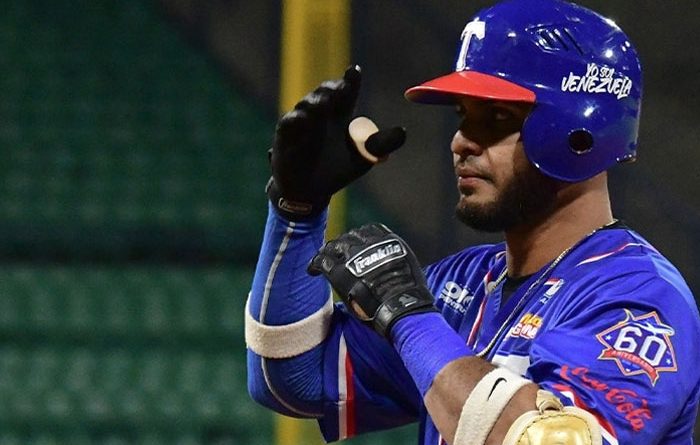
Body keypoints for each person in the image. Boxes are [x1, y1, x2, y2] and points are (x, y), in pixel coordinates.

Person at [245, 0, 700, 443]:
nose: (461, 141)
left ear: (580, 133)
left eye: (497, 117)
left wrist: (409, 317)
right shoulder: (463, 283)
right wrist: (297, 212)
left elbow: (548, 440)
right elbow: (292, 380)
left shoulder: (637, 300)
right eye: (465, 115)